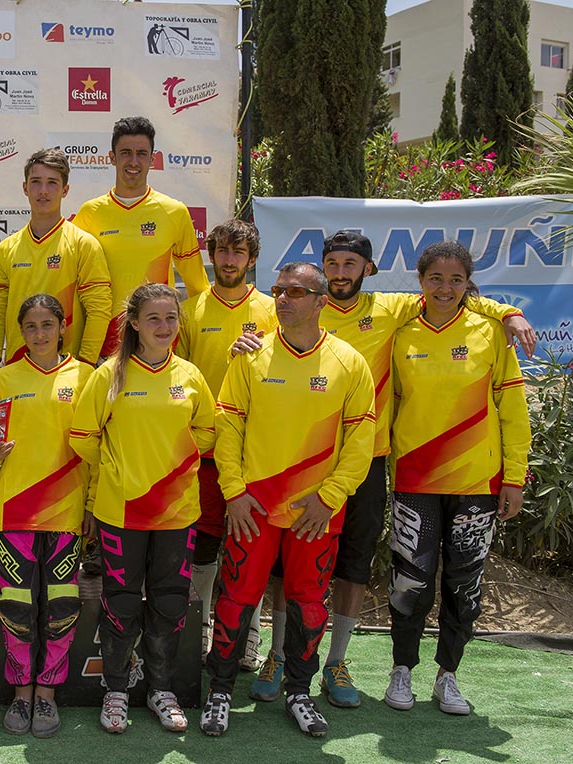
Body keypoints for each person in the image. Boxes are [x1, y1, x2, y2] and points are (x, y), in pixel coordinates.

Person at [237, 230, 536, 708]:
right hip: (298, 466)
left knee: (353, 566)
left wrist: (510, 313)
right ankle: (278, 654)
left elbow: (455, 298)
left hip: (367, 463)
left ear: (368, 271)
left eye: (349, 264)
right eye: (332, 263)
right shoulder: (298, 304)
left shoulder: (392, 309)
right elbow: (253, 335)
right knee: (284, 570)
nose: (339, 273)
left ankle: (335, 661)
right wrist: (243, 343)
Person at [201, 262, 375, 739]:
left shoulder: (348, 361)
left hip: (315, 515)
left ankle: (299, 692)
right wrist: (234, 492)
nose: (283, 298)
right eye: (278, 289)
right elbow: (228, 424)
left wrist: (331, 497)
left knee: (308, 605)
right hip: (252, 512)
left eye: (297, 291)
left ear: (322, 301)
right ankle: (218, 692)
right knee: (236, 601)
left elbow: (362, 439)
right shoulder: (250, 355)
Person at [384, 241, 531, 716]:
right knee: (410, 583)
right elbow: (387, 406)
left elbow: (512, 409)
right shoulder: (400, 331)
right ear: (420, 280)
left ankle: (448, 675)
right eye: (435, 279)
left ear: (469, 283)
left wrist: (515, 476)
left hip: (477, 483)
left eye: (456, 280)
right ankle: (401, 669)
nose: (445, 289)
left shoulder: (491, 330)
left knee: (464, 585)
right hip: (415, 479)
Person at [70, 283, 216, 735]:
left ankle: (160, 689)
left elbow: (209, 432)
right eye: (153, 318)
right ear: (133, 323)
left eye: (171, 318)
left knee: (171, 603)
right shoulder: (109, 374)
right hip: (122, 510)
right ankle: (116, 690)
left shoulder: (190, 376)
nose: (164, 327)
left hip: (177, 512)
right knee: (122, 602)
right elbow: (82, 436)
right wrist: (120, 467)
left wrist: (171, 464)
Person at [0, 294, 94, 737]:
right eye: (30, 326)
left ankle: (47, 697)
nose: (39, 334)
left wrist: (90, 506)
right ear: (20, 331)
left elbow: (96, 449)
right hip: (13, 510)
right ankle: (21, 694)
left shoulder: (88, 377)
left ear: (63, 325)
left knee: (62, 607)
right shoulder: (4, 379)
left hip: (68, 512)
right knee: (16, 607)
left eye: (47, 324)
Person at [174, 219, 275, 670]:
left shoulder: (273, 310)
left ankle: (249, 634)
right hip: (206, 449)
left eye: (239, 252)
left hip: (256, 449)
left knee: (248, 548)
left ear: (252, 260)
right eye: (222, 251)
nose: (230, 260)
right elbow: (175, 374)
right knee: (203, 546)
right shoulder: (190, 309)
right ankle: (200, 631)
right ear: (211, 255)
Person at [73, 116, 208, 357]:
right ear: (111, 157)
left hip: (159, 346)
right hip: (105, 347)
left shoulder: (174, 211)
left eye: (141, 153)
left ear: (152, 159)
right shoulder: (89, 213)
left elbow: (198, 286)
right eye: (125, 153)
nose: (133, 161)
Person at [0, 148, 111, 385]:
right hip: (16, 371)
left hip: (69, 373)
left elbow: (99, 311)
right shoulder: (5, 249)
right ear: (25, 188)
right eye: (36, 182)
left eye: (52, 183)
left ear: (65, 190)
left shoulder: (84, 244)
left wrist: (84, 366)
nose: (43, 191)